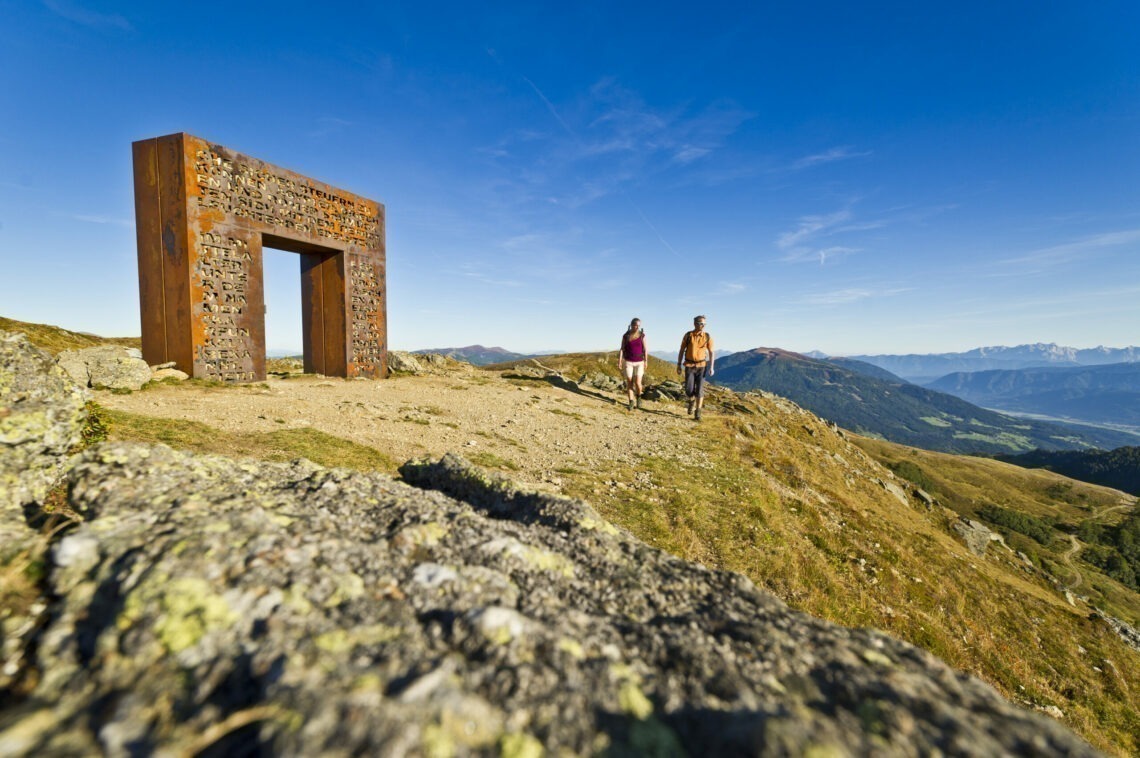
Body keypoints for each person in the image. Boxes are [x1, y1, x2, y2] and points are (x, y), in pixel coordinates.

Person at [677, 315, 714, 420]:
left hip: (702, 366)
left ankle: (698, 413)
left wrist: (711, 367)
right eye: (700, 323)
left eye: (704, 324)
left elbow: (711, 352)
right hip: (689, 365)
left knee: (700, 390)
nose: (702, 325)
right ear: (695, 323)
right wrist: (679, 364)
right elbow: (681, 350)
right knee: (689, 389)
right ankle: (691, 400)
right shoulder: (688, 335)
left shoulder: (707, 336)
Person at [618, 317, 648, 410]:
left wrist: (646, 361)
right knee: (629, 382)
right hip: (628, 362)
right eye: (635, 325)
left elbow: (646, 349)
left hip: (640, 362)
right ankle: (631, 401)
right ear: (631, 325)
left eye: (638, 326)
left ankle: (639, 396)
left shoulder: (642, 335)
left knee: (638, 383)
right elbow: (622, 349)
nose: (636, 327)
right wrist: (619, 361)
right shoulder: (626, 336)